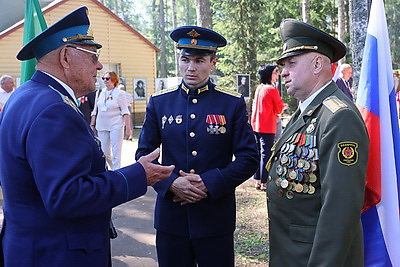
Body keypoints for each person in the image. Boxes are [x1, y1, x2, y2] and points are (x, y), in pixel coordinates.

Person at [0, 7, 174, 267]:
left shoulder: (24, 96)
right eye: (93, 55)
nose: (100, 65)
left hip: (30, 246)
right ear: (67, 56)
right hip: (58, 253)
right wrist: (139, 175)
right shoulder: (54, 109)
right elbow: (66, 196)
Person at [135, 26, 259, 267]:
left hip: (215, 216)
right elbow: (144, 154)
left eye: (199, 60)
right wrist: (171, 183)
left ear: (213, 62)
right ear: (178, 60)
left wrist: (209, 183)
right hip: (172, 216)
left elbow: (249, 158)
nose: (191, 67)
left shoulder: (231, 104)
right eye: (185, 59)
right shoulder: (160, 102)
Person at [266, 19, 369, 266]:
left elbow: (340, 211)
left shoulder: (338, 116)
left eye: (291, 63)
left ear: (317, 64)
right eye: (282, 65)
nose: (284, 72)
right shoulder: (306, 112)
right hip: (291, 252)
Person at [251, 64, 284, 191]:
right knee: (266, 154)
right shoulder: (272, 89)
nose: (278, 74)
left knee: (259, 152)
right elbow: (279, 108)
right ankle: (264, 181)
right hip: (267, 126)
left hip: (257, 125)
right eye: (276, 72)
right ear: (269, 74)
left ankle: (258, 180)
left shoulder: (259, 88)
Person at [90, 71, 132, 170]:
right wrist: (92, 124)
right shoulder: (100, 92)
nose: (105, 80)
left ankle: (117, 172)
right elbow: (95, 110)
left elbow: (125, 111)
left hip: (115, 125)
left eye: (107, 78)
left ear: (114, 80)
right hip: (102, 125)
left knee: (116, 151)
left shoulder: (119, 93)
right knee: (105, 152)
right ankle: (113, 168)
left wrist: (128, 128)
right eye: (103, 78)